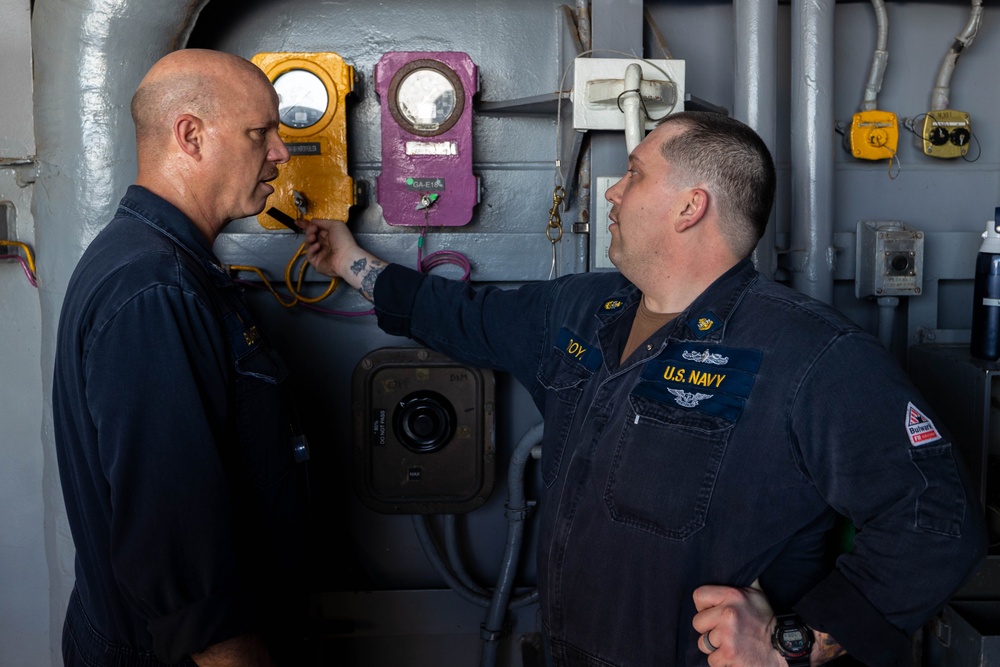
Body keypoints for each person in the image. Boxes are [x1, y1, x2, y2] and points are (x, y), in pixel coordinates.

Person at [302, 111, 987, 665]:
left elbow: (935, 520)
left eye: (632, 174)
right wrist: (353, 262)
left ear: (691, 205)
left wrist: (794, 643)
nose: (611, 190)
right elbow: (461, 316)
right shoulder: (579, 308)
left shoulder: (812, 356)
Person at [53, 49, 308, 667]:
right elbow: (175, 546)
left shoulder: (159, 262)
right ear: (190, 135)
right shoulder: (155, 286)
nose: (280, 152)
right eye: (260, 133)